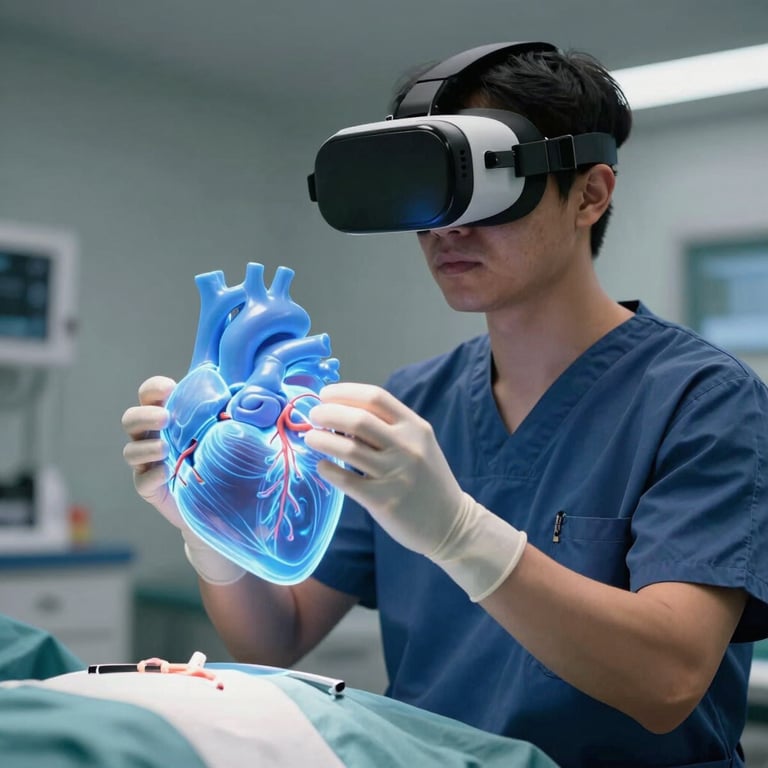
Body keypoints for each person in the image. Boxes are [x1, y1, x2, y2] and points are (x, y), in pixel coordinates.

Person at [121, 43, 768, 767]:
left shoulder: (702, 400)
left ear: (589, 195)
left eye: (481, 189)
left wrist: (460, 534)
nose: (445, 230)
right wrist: (211, 523)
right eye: (426, 193)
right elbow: (275, 636)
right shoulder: (412, 403)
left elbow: (669, 680)